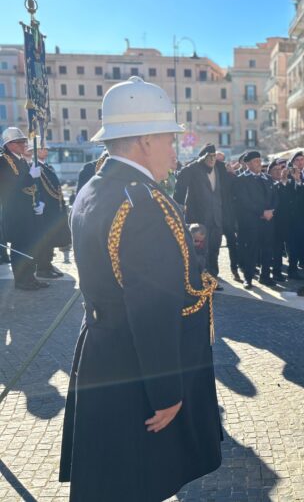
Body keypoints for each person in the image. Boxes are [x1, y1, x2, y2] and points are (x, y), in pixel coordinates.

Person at [58, 76, 222, 501]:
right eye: (170, 138)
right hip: (136, 372)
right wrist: (167, 392)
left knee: (108, 483)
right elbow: (152, 308)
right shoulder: (145, 205)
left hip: (103, 355)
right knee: (135, 484)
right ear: (145, 140)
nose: (175, 148)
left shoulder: (95, 186)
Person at [0, 127, 47, 290]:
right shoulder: (3, 161)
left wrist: (38, 201)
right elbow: (8, 187)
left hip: (27, 211)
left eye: (24, 142)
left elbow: (31, 186)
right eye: (21, 142)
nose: (24, 145)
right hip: (15, 212)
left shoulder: (20, 159)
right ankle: (21, 280)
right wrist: (30, 177)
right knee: (20, 247)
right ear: (10, 144)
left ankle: (30, 277)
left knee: (29, 245)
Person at [173, 143, 224, 280]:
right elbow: (180, 182)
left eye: (214, 156)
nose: (212, 159)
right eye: (209, 156)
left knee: (214, 249)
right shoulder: (192, 169)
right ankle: (201, 277)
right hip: (199, 218)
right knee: (200, 251)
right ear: (202, 157)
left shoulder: (218, 168)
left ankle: (213, 276)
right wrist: (180, 206)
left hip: (216, 217)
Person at [236, 150, 276, 289]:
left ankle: (265, 276)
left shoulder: (267, 178)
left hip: (268, 220)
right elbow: (244, 201)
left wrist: (271, 211)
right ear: (247, 164)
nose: (259, 163)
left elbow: (275, 198)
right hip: (251, 221)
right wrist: (261, 212)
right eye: (255, 161)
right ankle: (248, 278)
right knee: (251, 251)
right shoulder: (241, 179)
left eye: (259, 160)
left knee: (267, 250)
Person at [35, 146, 70, 279]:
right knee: (45, 241)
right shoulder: (35, 167)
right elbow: (36, 187)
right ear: (36, 150)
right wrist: (40, 201)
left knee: (51, 240)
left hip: (53, 208)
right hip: (46, 210)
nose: (46, 151)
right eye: (43, 149)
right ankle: (42, 269)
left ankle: (48, 265)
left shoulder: (47, 166)